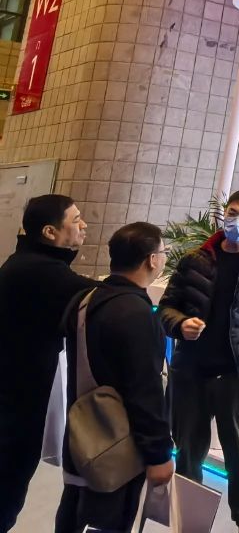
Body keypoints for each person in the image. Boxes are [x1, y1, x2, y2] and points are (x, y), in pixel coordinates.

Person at [158, 187, 239, 533]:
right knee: (187, 453)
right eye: (232, 213)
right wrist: (180, 324)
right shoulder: (195, 259)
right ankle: (188, 524)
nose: (235, 222)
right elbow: (166, 307)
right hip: (191, 373)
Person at [56, 222, 174, 533]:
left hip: (82, 438)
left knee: (73, 515)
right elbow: (145, 391)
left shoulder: (86, 300)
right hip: (118, 449)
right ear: (152, 260)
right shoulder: (136, 313)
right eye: (163, 252)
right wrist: (159, 453)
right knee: (106, 521)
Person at [0, 194, 94, 532]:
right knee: (7, 487)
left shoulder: (27, 263)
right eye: (76, 219)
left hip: (15, 399)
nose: (84, 225)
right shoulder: (41, 272)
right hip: (14, 405)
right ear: (50, 232)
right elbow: (108, 298)